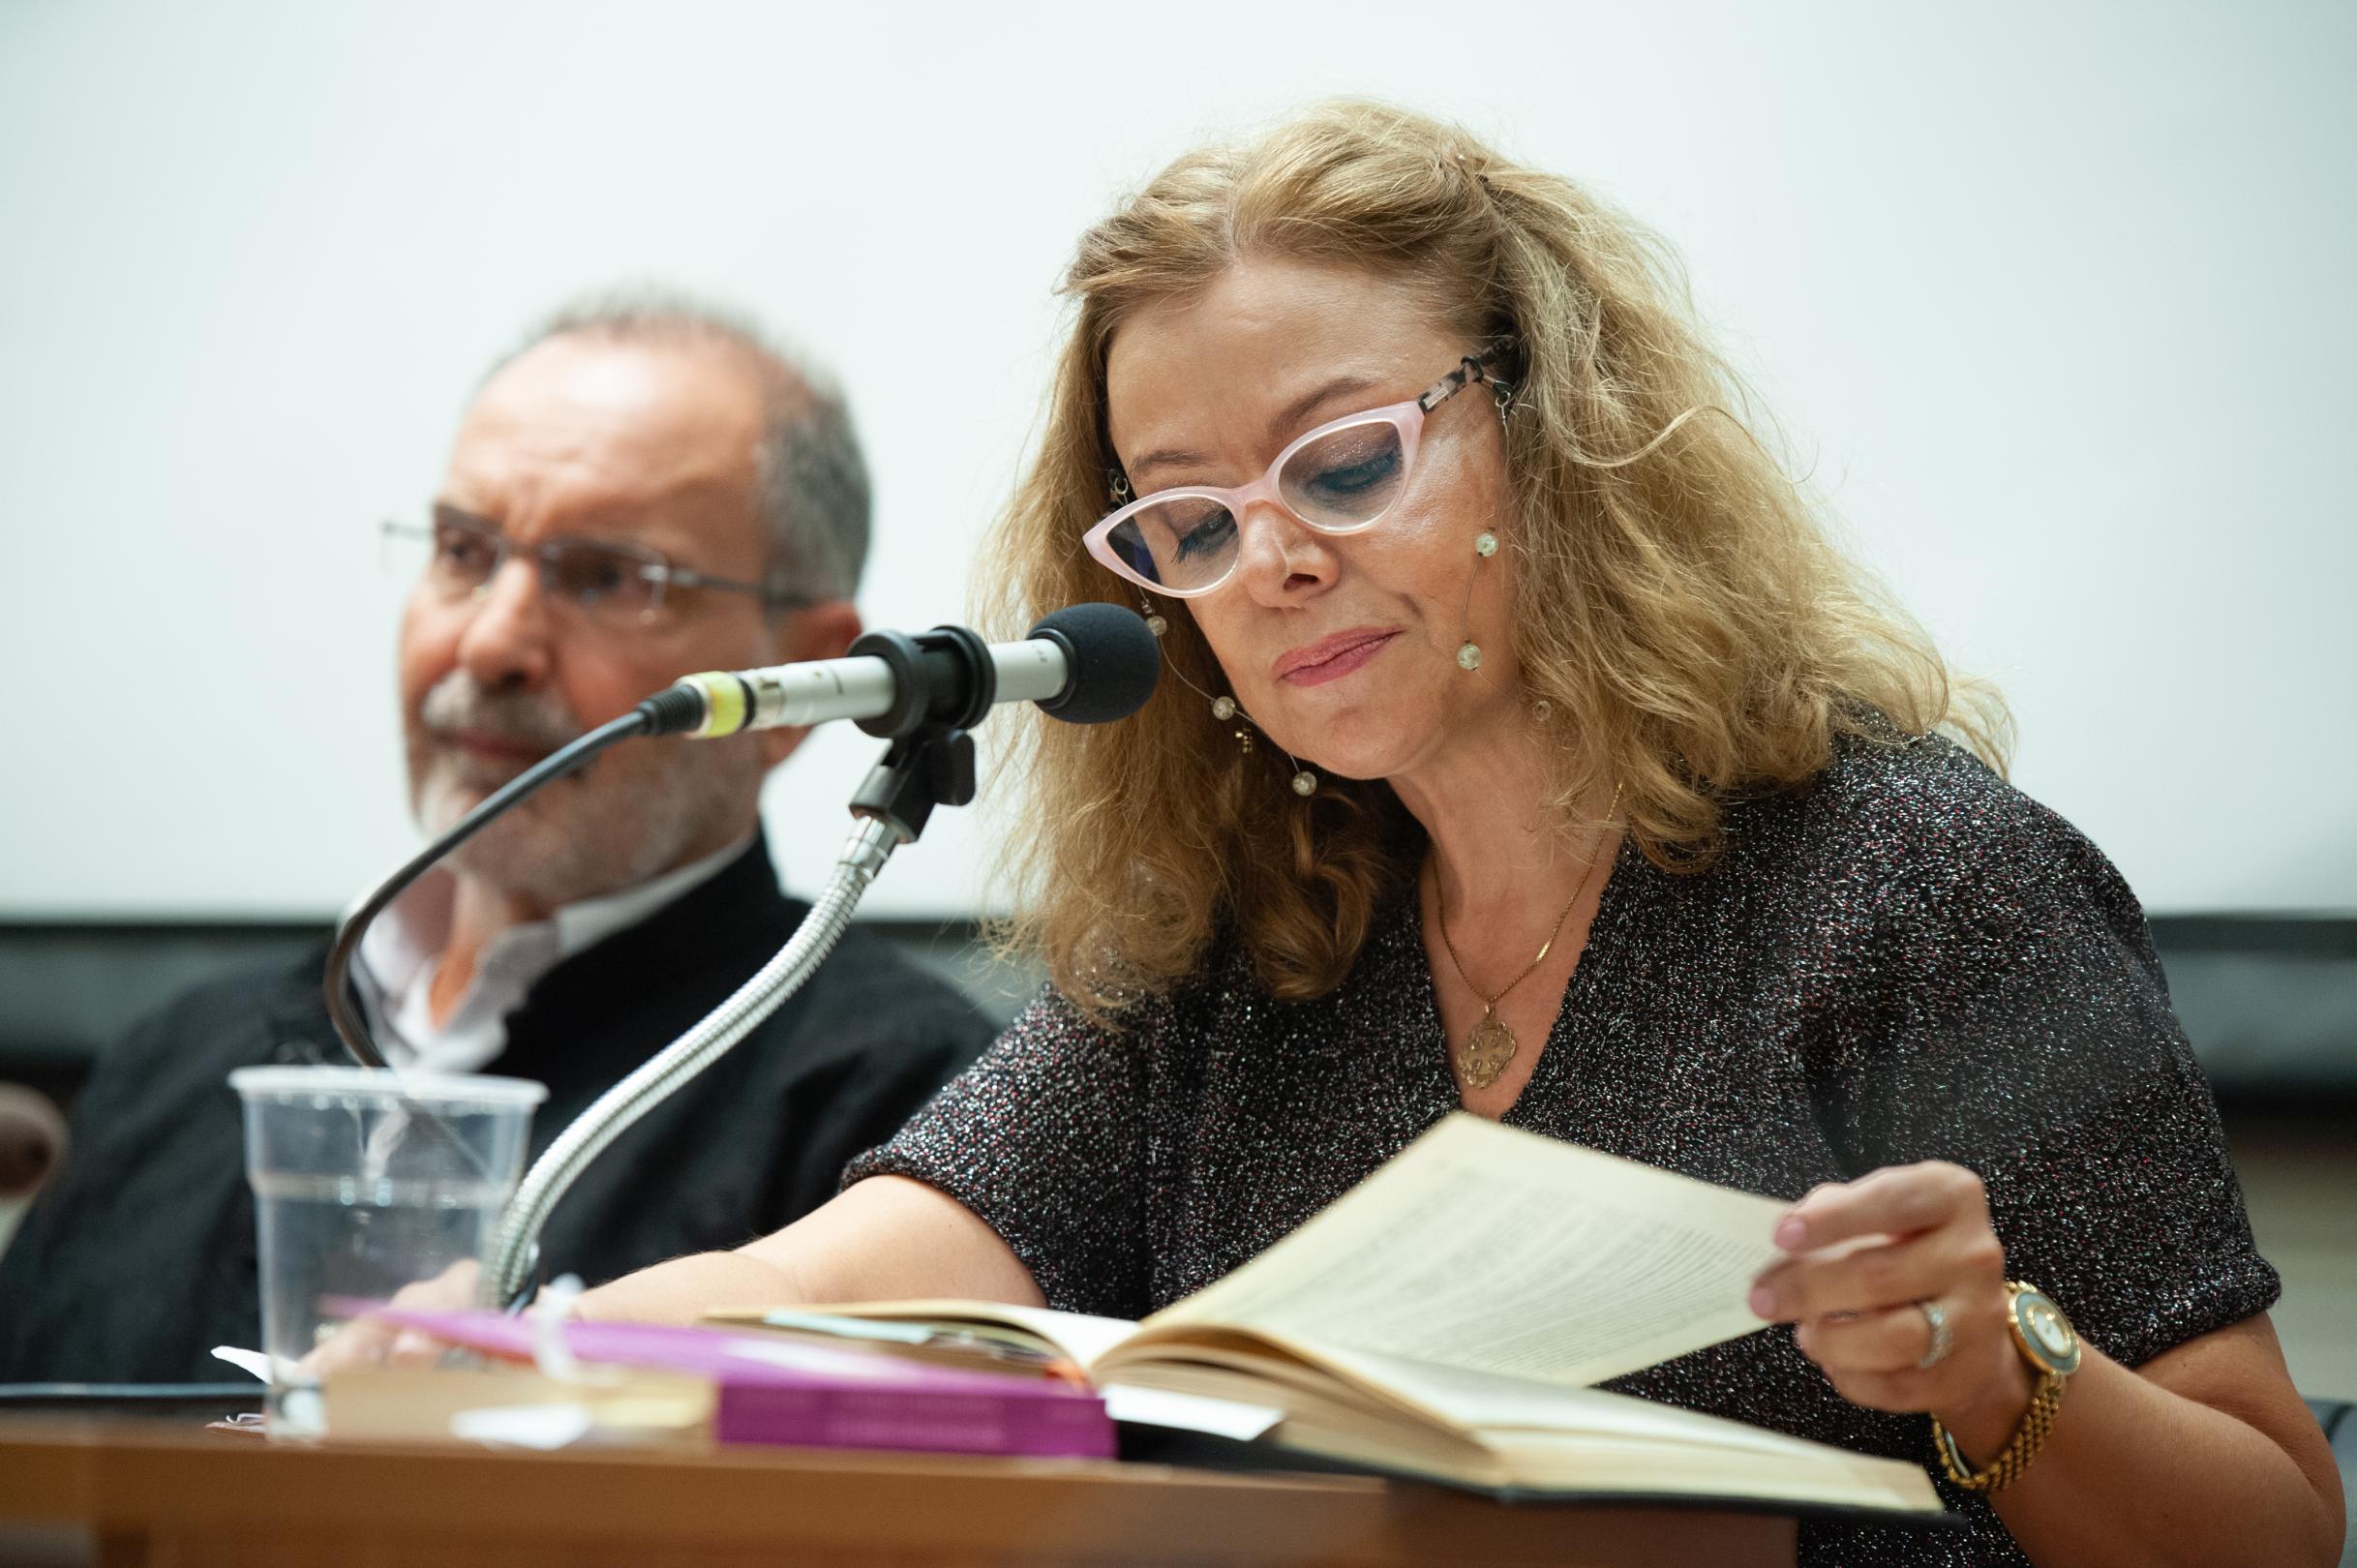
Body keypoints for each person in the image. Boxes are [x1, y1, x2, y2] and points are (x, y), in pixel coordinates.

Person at [608, 109, 2334, 1564]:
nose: (1270, 565)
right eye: (1190, 523)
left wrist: (1992, 1369)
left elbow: (2274, 1524)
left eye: (1344, 466)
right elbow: (815, 1285)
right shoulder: (1252, 938)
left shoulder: (1912, 883)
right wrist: (514, 1332)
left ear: (1554, 432)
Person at [0, 295, 997, 1384]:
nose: (490, 641)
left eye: (609, 577)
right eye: (463, 551)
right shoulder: (176, 1058)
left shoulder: (903, 1105)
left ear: (805, 681)